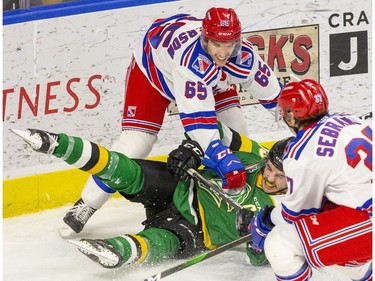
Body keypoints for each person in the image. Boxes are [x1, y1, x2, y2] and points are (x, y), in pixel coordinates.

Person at [60, 7, 282, 237]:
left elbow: (279, 101)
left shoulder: (243, 55)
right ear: (204, 39)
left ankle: (230, 200)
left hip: (210, 79)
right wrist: (221, 157)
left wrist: (307, 132)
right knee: (137, 143)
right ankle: (86, 203)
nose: (224, 53)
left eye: (229, 44)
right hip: (154, 72)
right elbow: (198, 124)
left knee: (238, 136)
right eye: (217, 44)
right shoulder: (189, 62)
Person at [12, 128, 292, 268]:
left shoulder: (282, 209)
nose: (270, 178)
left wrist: (256, 240)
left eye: (280, 177)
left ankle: (117, 251)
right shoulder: (253, 154)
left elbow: (264, 259)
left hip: (195, 231)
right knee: (127, 170)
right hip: (181, 185)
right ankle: (56, 144)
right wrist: (193, 148)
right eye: (270, 169)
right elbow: (212, 128)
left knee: (163, 242)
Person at [248, 79, 372, 281]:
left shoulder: (302, 152)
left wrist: (266, 220)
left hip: (366, 223)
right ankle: (363, 271)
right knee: (323, 224)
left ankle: (363, 269)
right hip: (361, 214)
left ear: (291, 115)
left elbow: (296, 214)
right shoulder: (347, 119)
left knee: (279, 244)